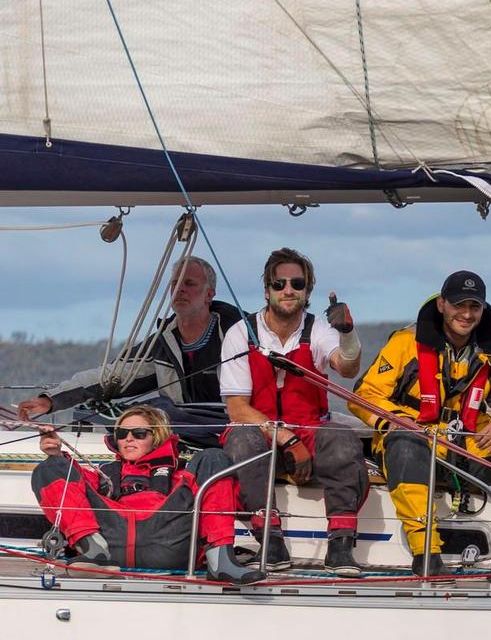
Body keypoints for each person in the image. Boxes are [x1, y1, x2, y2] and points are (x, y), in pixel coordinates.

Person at [350, 271, 491, 588]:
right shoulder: (405, 344)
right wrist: (401, 421)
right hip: (416, 442)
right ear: (441, 305)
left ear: (483, 310)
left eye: (474, 306)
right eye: (458, 305)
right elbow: (364, 396)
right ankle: (426, 554)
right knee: (404, 441)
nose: (466, 314)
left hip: (470, 444)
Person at [219, 248, 368, 574]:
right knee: (241, 441)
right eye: (279, 283)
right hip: (260, 432)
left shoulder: (319, 330)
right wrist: (285, 438)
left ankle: (341, 543)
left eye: (297, 284)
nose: (288, 290)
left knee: (342, 439)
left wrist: (348, 334)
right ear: (267, 290)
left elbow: (346, 368)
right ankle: (269, 539)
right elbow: (237, 409)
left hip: (310, 429)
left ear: (308, 290)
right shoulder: (240, 333)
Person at [18, 256, 240, 448]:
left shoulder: (239, 334)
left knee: (159, 410)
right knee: (148, 414)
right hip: (181, 430)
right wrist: (51, 400)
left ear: (209, 294)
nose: (180, 289)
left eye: (189, 283)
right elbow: (114, 375)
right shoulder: (164, 343)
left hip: (230, 425)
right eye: (175, 283)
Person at [31, 404, 263, 584]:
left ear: (157, 437)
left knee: (214, 457)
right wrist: (56, 454)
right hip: (113, 545)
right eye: (122, 433)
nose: (128, 438)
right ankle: (93, 553)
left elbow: (219, 497)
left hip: (167, 540)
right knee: (50, 467)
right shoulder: (106, 474)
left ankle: (221, 562)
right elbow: (72, 482)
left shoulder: (180, 473)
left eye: (139, 433)